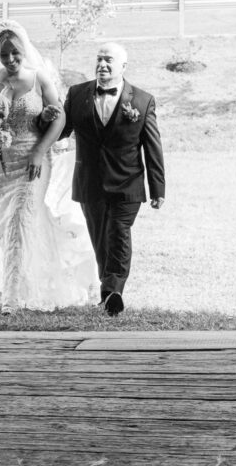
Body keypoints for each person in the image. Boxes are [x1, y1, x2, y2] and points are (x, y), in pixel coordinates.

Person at [0, 20, 97, 314]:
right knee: (7, 228)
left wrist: (39, 149)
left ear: (24, 51)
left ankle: (9, 300)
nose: (10, 60)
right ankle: (25, 284)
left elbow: (60, 119)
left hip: (32, 163)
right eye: (4, 55)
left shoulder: (40, 80)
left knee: (18, 223)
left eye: (16, 54)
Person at [62, 41, 165, 316]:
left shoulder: (143, 101)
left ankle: (113, 292)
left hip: (127, 183)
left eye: (108, 60)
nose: (102, 64)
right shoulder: (77, 94)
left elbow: (152, 145)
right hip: (90, 182)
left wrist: (158, 188)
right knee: (100, 240)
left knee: (118, 234)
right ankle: (108, 293)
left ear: (123, 66)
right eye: (99, 59)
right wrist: (43, 119)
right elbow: (61, 130)